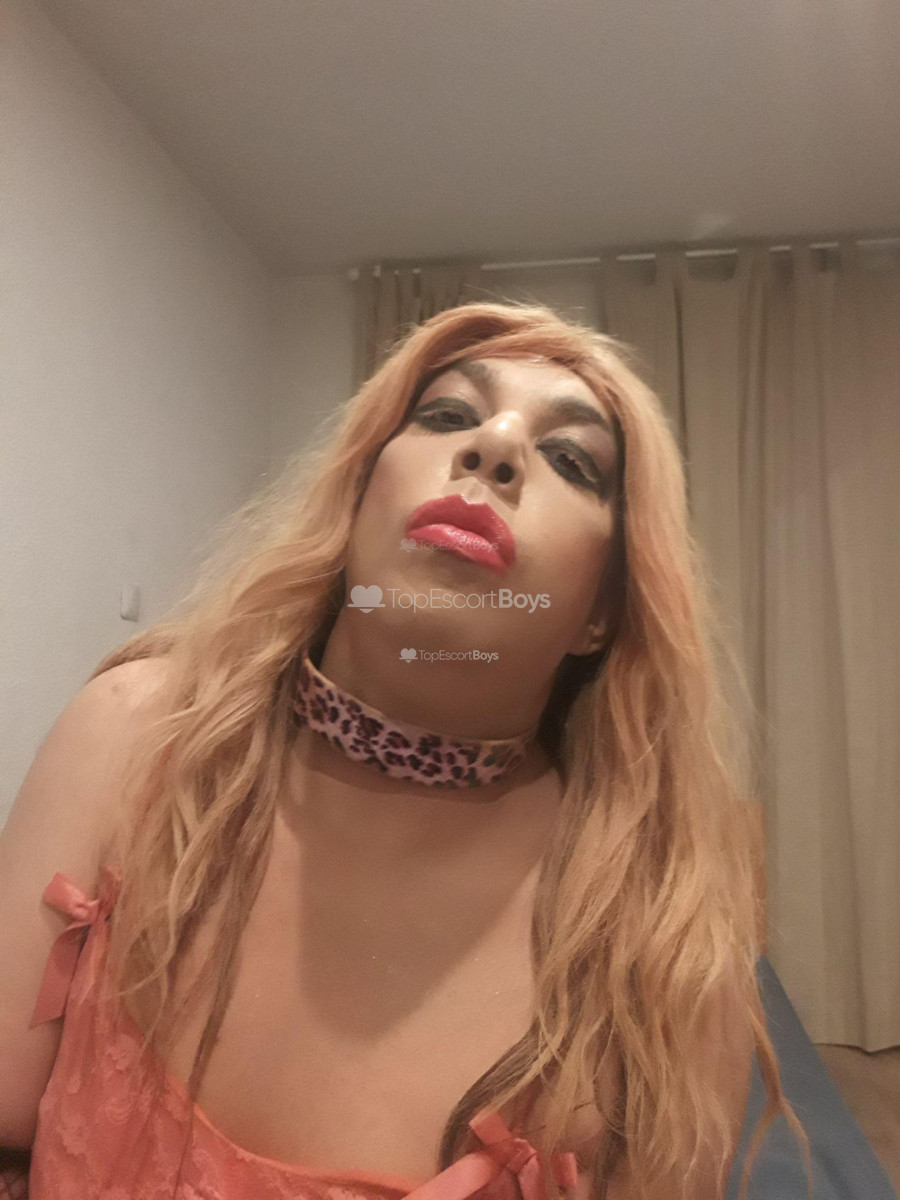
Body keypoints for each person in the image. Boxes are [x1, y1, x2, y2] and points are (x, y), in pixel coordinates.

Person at [0, 301, 812, 1200]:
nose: (495, 447)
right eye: (448, 414)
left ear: (602, 612)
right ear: (355, 502)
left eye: (572, 460)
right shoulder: (130, 732)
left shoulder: (661, 934)